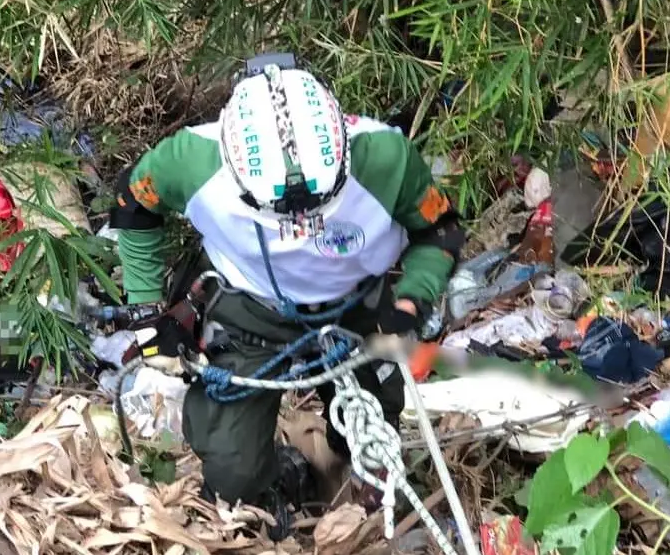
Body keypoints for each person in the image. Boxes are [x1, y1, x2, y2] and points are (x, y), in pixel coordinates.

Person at [111, 55, 463, 539]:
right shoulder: (190, 160)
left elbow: (439, 231)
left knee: (374, 436)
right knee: (232, 474)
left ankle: (347, 471)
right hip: (250, 307)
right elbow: (133, 206)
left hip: (357, 307)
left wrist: (409, 305)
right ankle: (279, 477)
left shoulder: (384, 157)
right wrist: (149, 313)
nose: (299, 229)